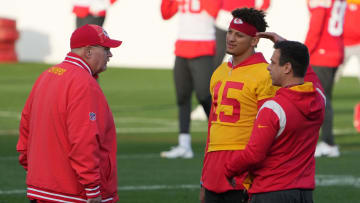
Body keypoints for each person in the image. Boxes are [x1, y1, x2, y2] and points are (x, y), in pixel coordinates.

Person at [16, 24, 122, 203]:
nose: (110, 55)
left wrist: (35, 171)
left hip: (42, 188)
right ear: (88, 52)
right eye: (106, 49)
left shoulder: (46, 75)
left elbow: (25, 129)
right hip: (72, 193)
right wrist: (92, 188)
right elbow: (84, 140)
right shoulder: (84, 84)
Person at [224, 39, 325, 203]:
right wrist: (283, 42)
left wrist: (228, 169)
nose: (268, 67)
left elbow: (253, 154)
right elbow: (311, 75)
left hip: (270, 192)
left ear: (287, 68)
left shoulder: (273, 108)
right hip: (304, 194)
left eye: (273, 62)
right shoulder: (319, 99)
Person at [200, 8, 278, 203]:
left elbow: (268, 133)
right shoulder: (220, 71)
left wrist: (257, 176)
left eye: (239, 35)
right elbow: (212, 127)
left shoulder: (265, 74)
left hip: (244, 171)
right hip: (214, 171)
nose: (231, 38)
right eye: (230, 32)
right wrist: (203, 179)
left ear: (254, 40)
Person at [191, 0, 271, 121]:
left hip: (245, 19)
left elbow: (266, 3)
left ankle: (243, 104)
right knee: (214, 66)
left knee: (247, 66)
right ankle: (210, 102)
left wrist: (255, 15)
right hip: (223, 18)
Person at [159, 0, 218, 159]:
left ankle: (219, 137)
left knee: (204, 95)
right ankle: (184, 144)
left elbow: (214, 11)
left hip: (203, 46)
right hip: (182, 47)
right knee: (182, 97)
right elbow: (166, 13)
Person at [304, 0, 347, 157]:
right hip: (335, 48)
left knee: (320, 99)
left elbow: (316, 26)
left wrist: (303, 51)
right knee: (323, 98)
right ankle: (325, 141)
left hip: (322, 52)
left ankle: (328, 143)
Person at [213, 0, 271, 68]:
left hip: (245, 21)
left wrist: (254, 17)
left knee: (245, 55)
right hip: (223, 19)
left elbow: (265, 3)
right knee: (216, 57)